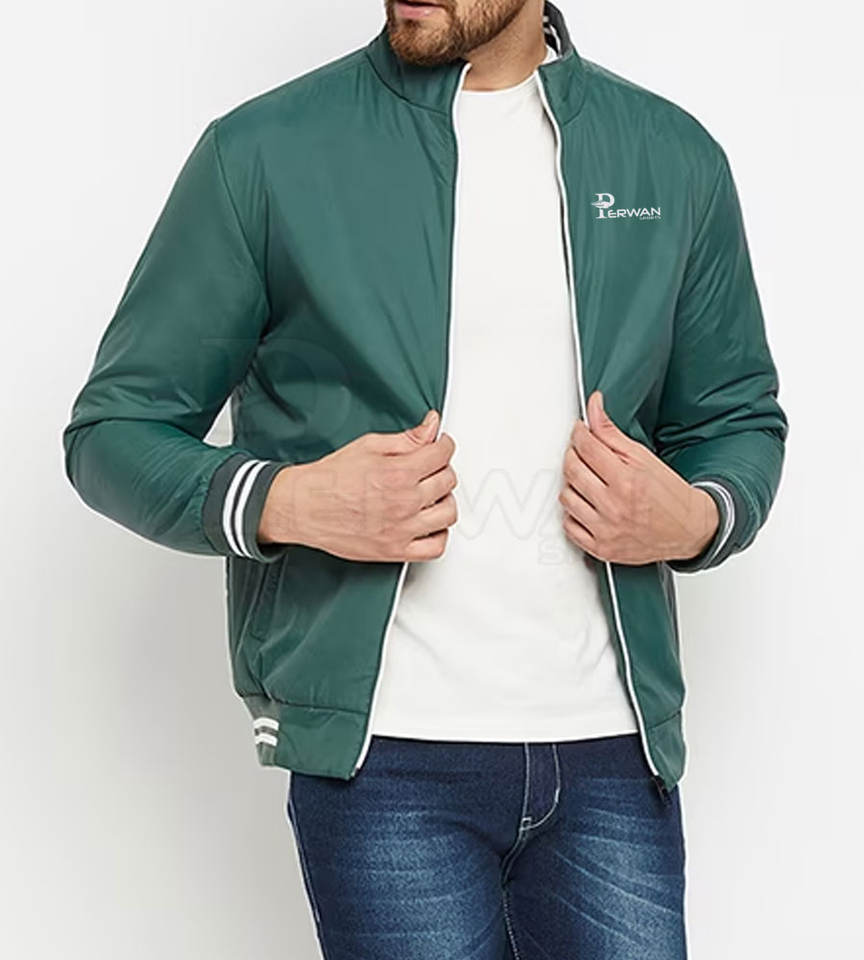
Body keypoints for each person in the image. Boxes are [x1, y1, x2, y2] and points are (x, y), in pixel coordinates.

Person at [63, 1, 788, 956]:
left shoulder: (671, 158)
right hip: (386, 761)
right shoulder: (265, 153)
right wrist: (290, 501)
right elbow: (113, 431)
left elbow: (736, 418)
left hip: (616, 751)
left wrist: (693, 518)